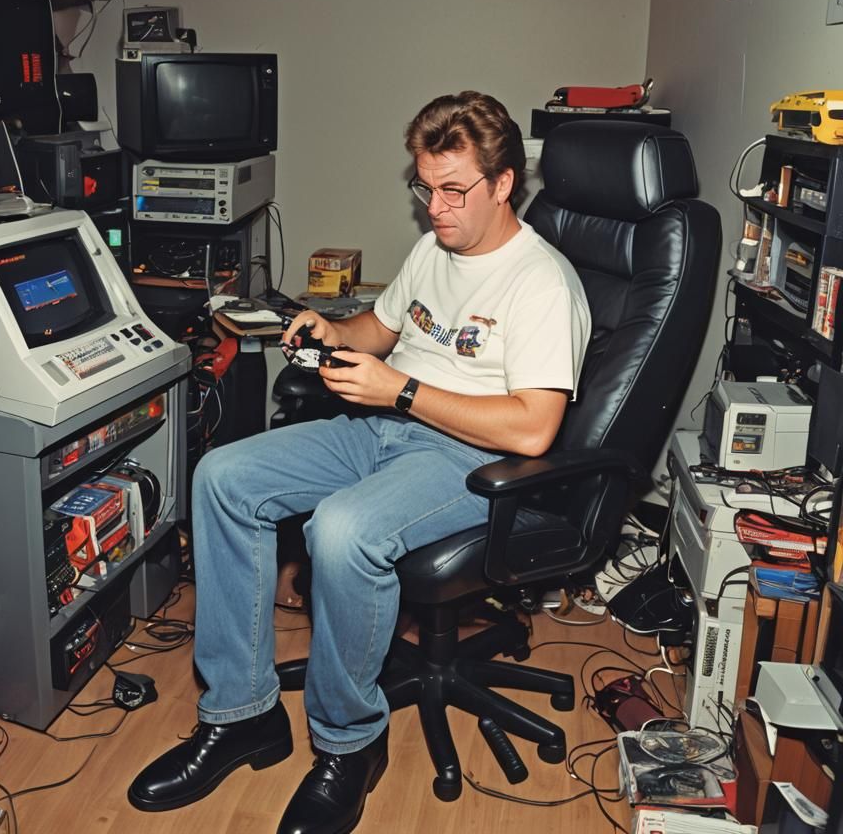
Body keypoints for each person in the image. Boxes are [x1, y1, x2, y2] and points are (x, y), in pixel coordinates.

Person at [127, 91, 591, 834]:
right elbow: (381, 326)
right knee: (223, 478)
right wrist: (331, 330)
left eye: (453, 190)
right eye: (424, 188)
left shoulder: (542, 283)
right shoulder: (436, 249)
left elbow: (534, 430)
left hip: (473, 459)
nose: (435, 208)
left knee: (342, 531)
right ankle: (242, 716)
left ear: (504, 183)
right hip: (385, 427)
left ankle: (350, 745)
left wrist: (400, 390)